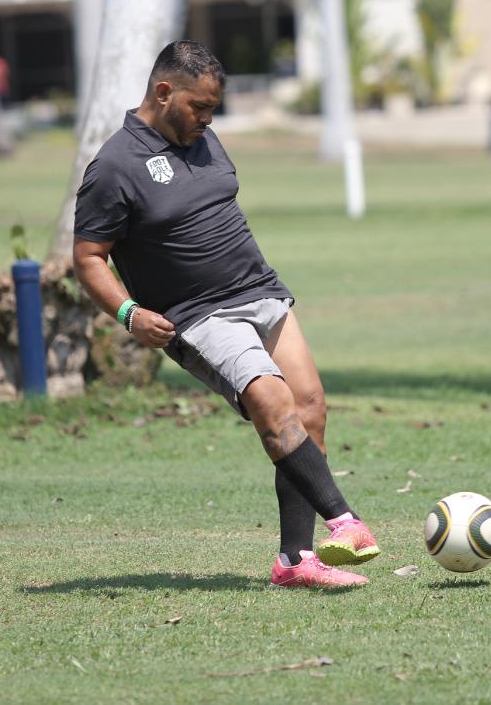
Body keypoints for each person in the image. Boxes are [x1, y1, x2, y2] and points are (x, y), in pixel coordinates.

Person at [72, 41, 379, 588]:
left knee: (309, 409)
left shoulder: (202, 137)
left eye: (213, 109)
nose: (208, 119)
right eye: (200, 107)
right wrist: (127, 312)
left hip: (260, 290)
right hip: (200, 315)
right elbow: (88, 257)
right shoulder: (114, 166)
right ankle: (346, 521)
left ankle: (295, 562)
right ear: (163, 93)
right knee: (273, 402)